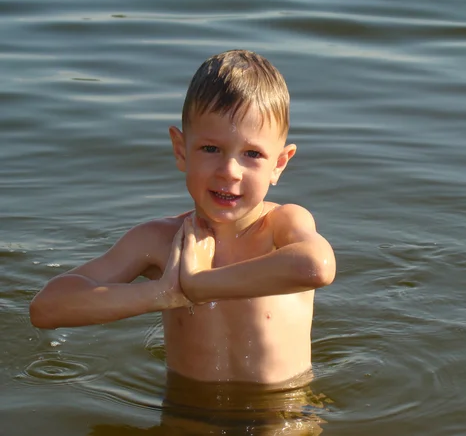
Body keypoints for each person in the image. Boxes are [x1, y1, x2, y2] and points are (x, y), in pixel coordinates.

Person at [30, 49, 336, 387]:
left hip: (283, 412)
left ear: (278, 164)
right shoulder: (160, 242)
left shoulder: (280, 227)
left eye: (252, 154)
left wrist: (199, 285)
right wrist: (164, 294)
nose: (229, 171)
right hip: (186, 411)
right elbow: (46, 308)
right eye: (210, 149)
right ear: (181, 150)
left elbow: (317, 266)